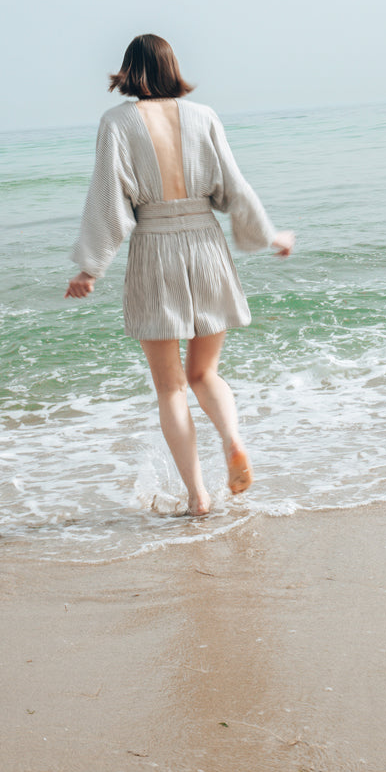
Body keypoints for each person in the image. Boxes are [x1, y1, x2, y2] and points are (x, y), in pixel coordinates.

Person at [65, 34, 294, 516]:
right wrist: (269, 235)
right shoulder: (203, 116)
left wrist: (90, 267)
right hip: (206, 245)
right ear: (172, 67)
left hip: (155, 248)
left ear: (129, 70)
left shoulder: (117, 122)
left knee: (171, 388)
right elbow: (235, 187)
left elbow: (108, 199)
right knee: (204, 373)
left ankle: (197, 497)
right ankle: (232, 438)